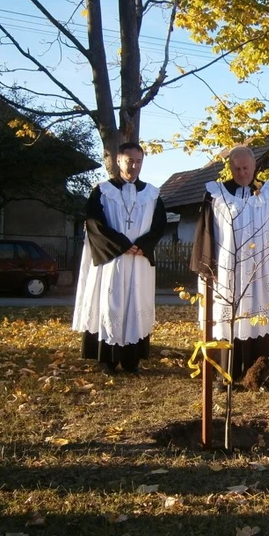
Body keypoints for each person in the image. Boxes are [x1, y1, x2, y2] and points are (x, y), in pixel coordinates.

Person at [190, 145, 269, 383]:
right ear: (230, 167)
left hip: (262, 270)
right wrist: (208, 268)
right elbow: (205, 231)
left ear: (255, 166)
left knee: (262, 317)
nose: (242, 172)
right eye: (237, 168)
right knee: (227, 318)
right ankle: (226, 374)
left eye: (246, 167)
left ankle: (259, 376)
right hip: (226, 270)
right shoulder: (216, 193)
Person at [72, 141, 166, 374]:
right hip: (112, 262)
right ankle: (108, 360)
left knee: (135, 304)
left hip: (139, 261)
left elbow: (159, 225)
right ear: (118, 161)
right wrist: (123, 245)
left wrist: (142, 246)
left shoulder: (152, 194)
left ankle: (132, 360)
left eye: (138, 161)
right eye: (129, 161)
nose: (134, 166)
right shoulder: (102, 191)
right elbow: (95, 224)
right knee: (110, 305)